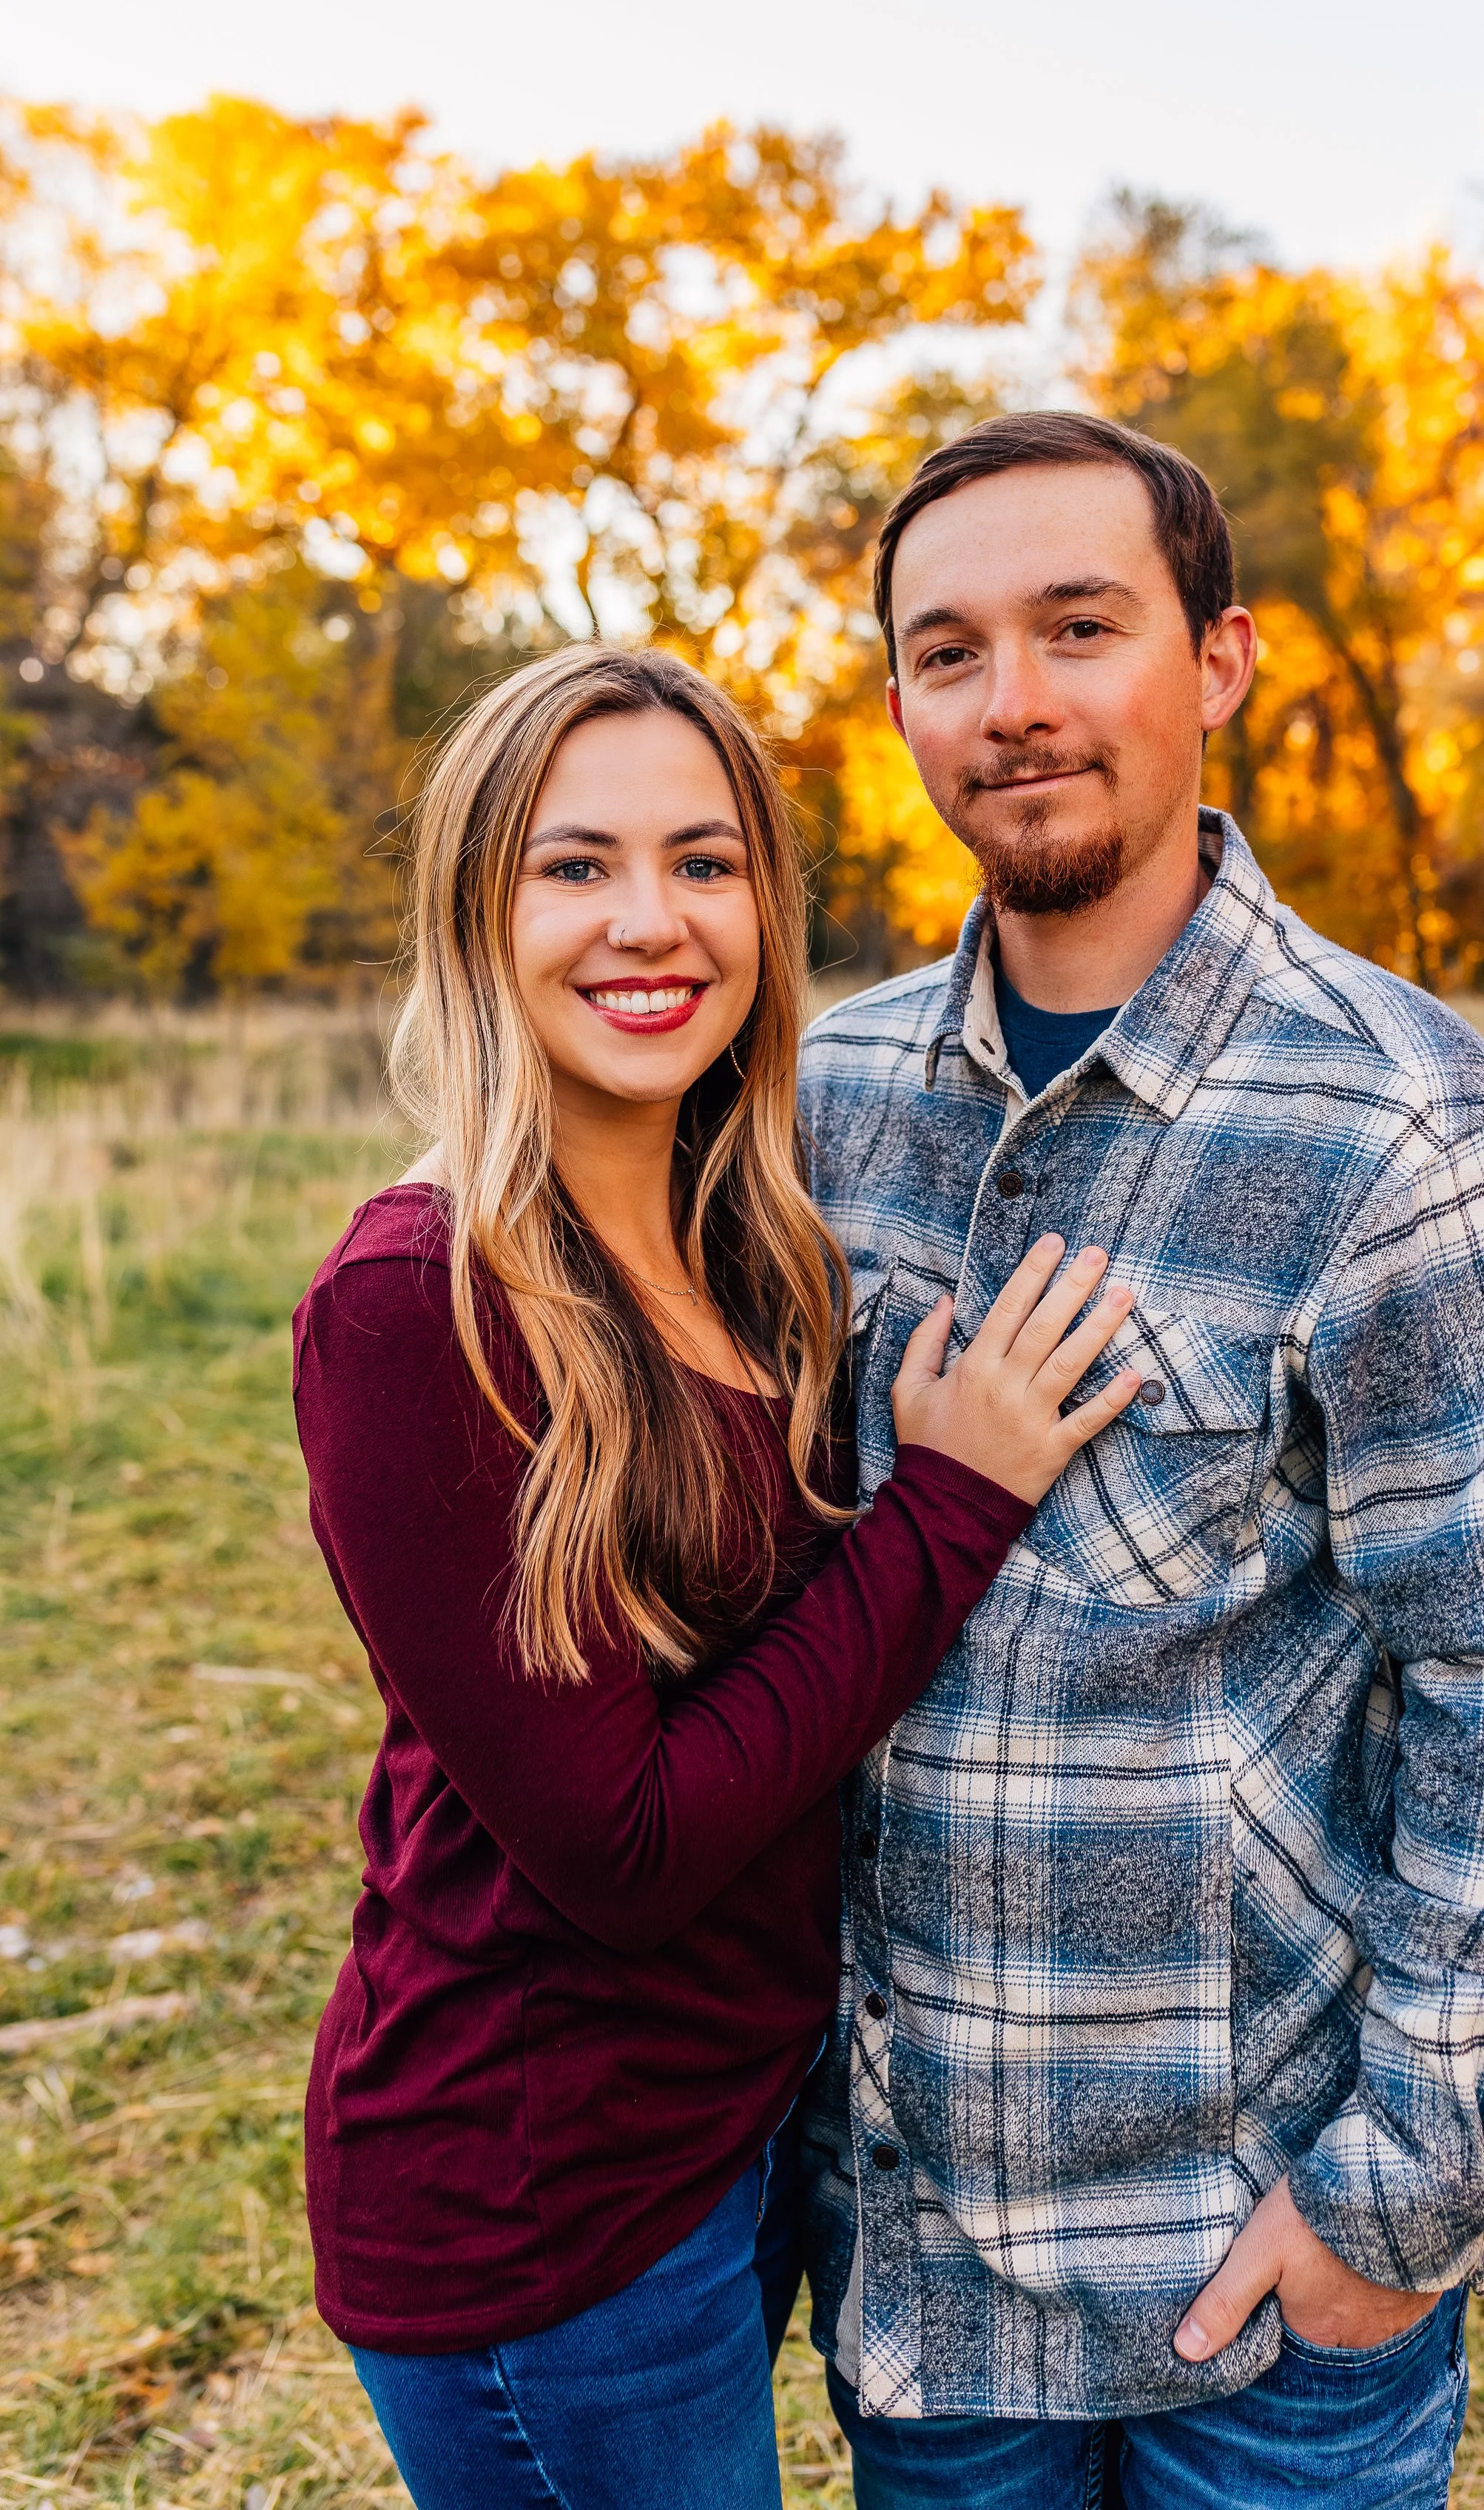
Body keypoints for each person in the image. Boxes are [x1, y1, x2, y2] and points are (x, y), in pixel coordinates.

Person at [797, 414, 1484, 2507]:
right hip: (924, 2260)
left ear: (1219, 663)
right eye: (946, 649)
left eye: (1078, 626)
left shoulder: (1402, 1129)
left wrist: (1400, 2190)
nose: (1010, 700)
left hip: (1259, 2271)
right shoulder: (820, 1104)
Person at [291, 644, 1150, 2510]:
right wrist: (950, 1505)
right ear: (474, 909)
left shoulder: (741, 1230)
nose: (646, 921)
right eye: (572, 865)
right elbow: (626, 1846)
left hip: (736, 2136)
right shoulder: (415, 1306)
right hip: (540, 2208)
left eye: (702, 861)